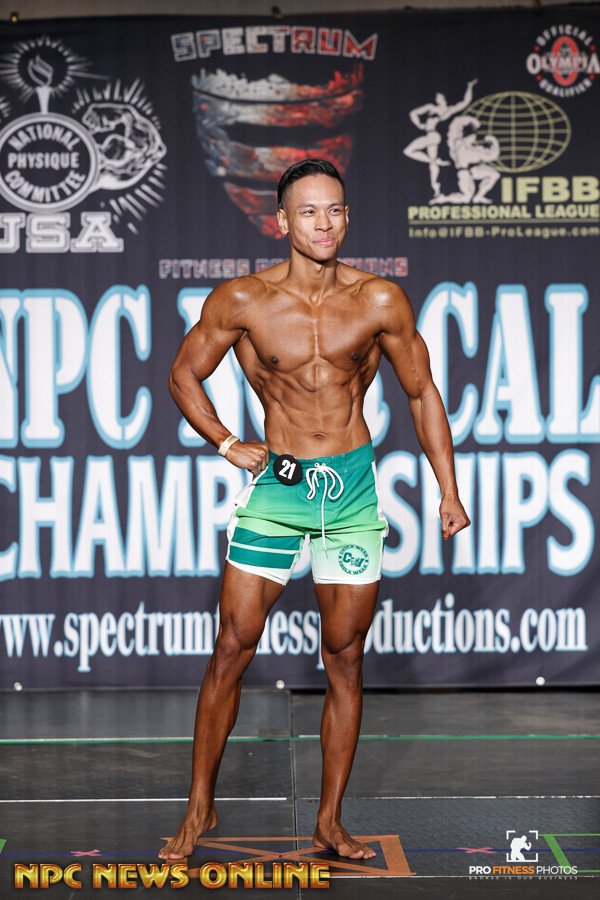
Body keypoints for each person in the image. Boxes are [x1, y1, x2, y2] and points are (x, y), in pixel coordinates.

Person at [159, 158, 470, 862]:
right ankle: (200, 805)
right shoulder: (244, 300)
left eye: (334, 210)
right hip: (279, 485)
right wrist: (226, 442)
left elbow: (422, 393)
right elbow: (183, 374)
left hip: (351, 488)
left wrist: (448, 489)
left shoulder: (380, 300)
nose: (323, 223)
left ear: (347, 216)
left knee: (346, 656)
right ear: (282, 221)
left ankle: (330, 820)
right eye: (308, 211)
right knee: (233, 645)